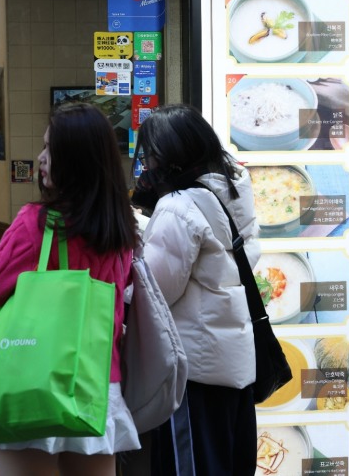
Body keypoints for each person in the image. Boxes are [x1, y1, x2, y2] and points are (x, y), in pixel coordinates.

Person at [0, 103, 141, 475]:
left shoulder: (36, 224)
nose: (41, 158)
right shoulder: (122, 231)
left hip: (32, 381)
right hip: (97, 387)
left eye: (51, 150)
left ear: (75, 160)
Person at [133, 103, 259, 475]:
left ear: (168, 155)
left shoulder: (178, 206)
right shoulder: (232, 191)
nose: (147, 165)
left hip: (195, 373)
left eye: (151, 154)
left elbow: (156, 292)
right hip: (234, 365)